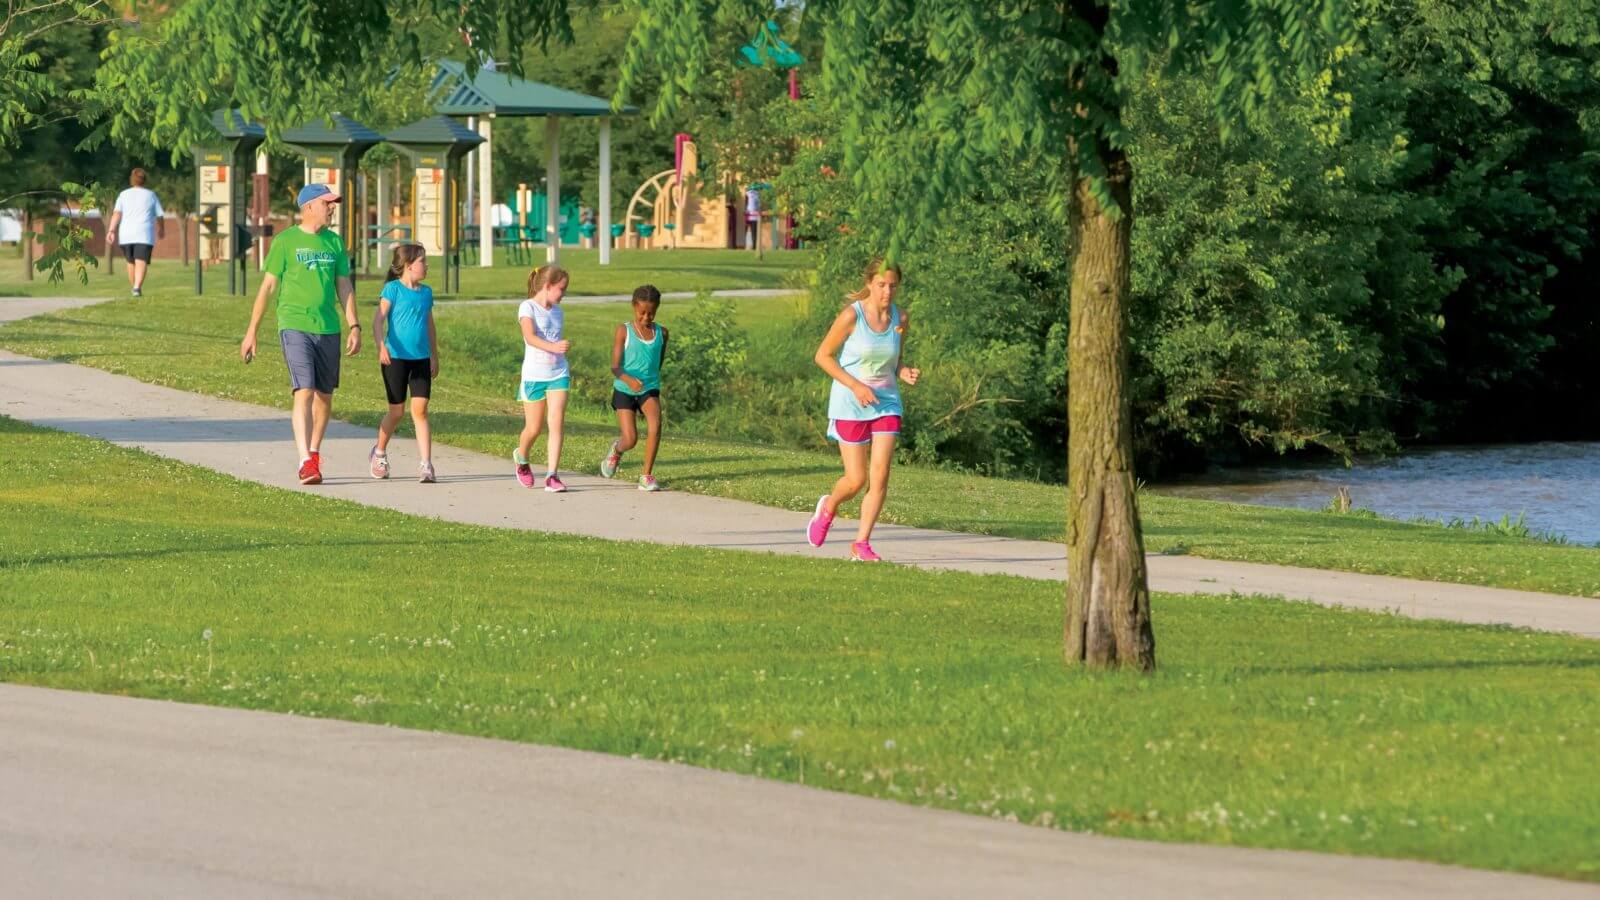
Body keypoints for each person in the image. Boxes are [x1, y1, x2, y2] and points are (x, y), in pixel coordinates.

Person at [239, 184, 360, 486]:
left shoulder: (334, 243)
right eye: (327, 203)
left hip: (328, 327)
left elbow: (343, 286)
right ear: (308, 207)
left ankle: (314, 452)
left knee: (324, 397)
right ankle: (305, 460)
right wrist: (251, 331)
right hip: (293, 324)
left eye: (333, 203)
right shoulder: (285, 241)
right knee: (304, 391)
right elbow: (267, 287)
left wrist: (354, 324)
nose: (332, 208)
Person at [804, 258, 920, 562]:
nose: (887, 291)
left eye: (893, 285)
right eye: (881, 284)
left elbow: (895, 360)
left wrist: (904, 371)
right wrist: (856, 385)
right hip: (850, 403)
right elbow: (823, 356)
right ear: (869, 283)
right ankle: (829, 507)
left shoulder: (901, 318)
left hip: (887, 402)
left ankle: (861, 543)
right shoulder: (851, 316)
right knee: (855, 480)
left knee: (880, 476)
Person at [369, 244, 439, 483]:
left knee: (420, 411)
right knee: (396, 412)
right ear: (410, 266)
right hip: (395, 359)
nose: (426, 265)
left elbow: (430, 326)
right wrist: (381, 346)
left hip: (420, 359)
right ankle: (379, 452)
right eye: (423, 261)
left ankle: (426, 465)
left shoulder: (426, 293)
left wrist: (434, 355)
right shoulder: (392, 290)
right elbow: (378, 321)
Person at [600, 285, 667, 491]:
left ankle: (646, 476)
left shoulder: (662, 333)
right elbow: (615, 367)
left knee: (656, 425)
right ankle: (616, 451)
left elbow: (658, 362)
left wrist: (648, 383)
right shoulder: (624, 330)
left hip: (648, 389)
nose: (646, 317)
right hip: (625, 388)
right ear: (633, 307)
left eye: (651, 313)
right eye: (642, 312)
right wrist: (629, 380)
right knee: (631, 439)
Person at [514, 264, 571, 492]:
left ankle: (552, 475)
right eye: (561, 289)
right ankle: (522, 457)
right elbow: (529, 337)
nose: (564, 294)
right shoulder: (527, 307)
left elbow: (554, 340)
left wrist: (560, 349)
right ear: (547, 286)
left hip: (558, 373)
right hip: (534, 376)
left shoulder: (558, 311)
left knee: (556, 423)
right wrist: (554, 347)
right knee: (534, 429)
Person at [105, 168, 165, 297]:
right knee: (141, 260)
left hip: (126, 234)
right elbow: (160, 215)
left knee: (130, 261)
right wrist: (161, 228)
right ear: (145, 180)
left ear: (131, 180)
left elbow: (117, 213)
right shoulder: (151, 195)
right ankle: (137, 288)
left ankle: (135, 288)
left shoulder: (123, 194)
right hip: (144, 234)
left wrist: (111, 230)